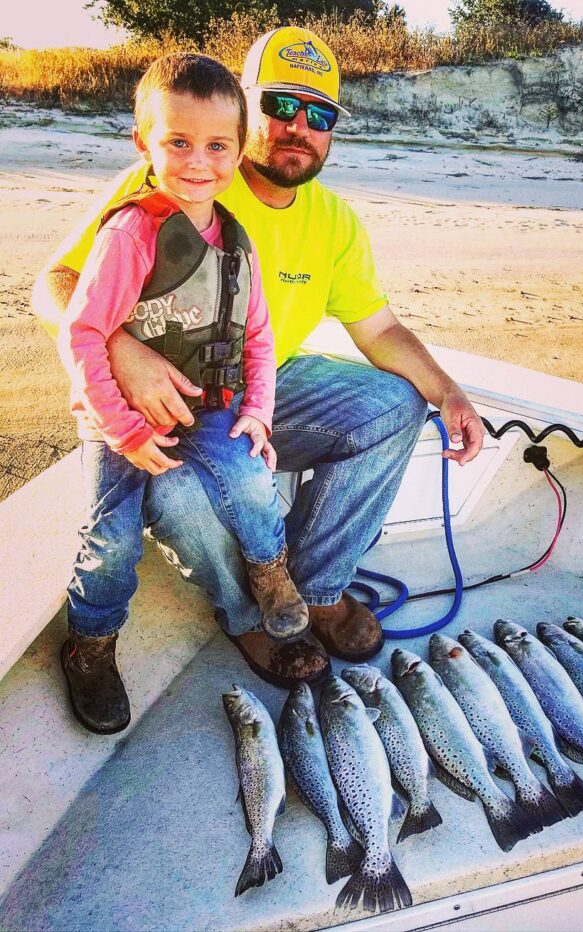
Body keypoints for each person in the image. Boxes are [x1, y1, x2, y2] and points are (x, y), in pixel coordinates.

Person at [34, 26, 485, 705]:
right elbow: (56, 284)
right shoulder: (177, 177)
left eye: (320, 114)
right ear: (245, 109)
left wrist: (449, 393)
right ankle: (247, 618)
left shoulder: (335, 221)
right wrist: (125, 354)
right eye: (281, 106)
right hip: (157, 394)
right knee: (181, 497)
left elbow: (380, 327)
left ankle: (314, 592)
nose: (299, 127)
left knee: (396, 404)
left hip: (259, 384)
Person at [56, 53, 313, 734]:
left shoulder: (236, 240)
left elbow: (257, 336)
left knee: (252, 480)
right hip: (118, 419)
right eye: (178, 142)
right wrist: (124, 429)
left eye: (216, 146)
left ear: (238, 149)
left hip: (207, 407)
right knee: (109, 537)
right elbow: (81, 334)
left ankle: (268, 572)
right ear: (144, 142)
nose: (198, 162)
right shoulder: (130, 233)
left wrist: (257, 410)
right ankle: (91, 643)